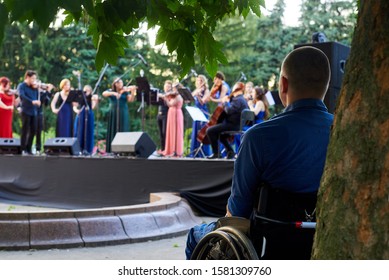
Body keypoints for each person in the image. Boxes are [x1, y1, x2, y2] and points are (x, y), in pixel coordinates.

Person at [185, 46, 334, 259]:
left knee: (195, 235)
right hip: (323, 241)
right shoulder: (341, 133)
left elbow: (237, 213)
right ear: (326, 86)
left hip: (268, 248)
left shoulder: (258, 137)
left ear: (283, 84)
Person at [206, 81, 248, 159]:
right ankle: (230, 152)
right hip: (236, 125)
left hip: (232, 125)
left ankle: (216, 153)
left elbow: (229, 110)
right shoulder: (242, 99)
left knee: (209, 131)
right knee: (221, 135)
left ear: (236, 89)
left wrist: (225, 102)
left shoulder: (238, 100)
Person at [102, 77, 137, 153]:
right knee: (113, 128)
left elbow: (131, 100)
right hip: (113, 112)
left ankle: (122, 149)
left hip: (123, 112)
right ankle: (112, 149)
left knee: (123, 128)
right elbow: (104, 93)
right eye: (118, 82)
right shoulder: (111, 91)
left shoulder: (125, 92)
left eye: (121, 82)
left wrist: (133, 91)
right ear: (115, 84)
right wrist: (114, 93)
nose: (120, 84)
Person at [17, 70, 41, 155]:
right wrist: (32, 101)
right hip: (25, 110)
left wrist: (38, 89)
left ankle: (28, 148)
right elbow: (22, 96)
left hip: (34, 111)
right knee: (25, 130)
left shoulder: (34, 87)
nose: (34, 80)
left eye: (35, 78)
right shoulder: (21, 86)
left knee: (33, 130)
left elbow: (38, 97)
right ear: (27, 77)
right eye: (33, 78)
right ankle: (22, 149)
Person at [189, 74, 211, 157]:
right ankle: (195, 152)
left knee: (202, 133)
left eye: (201, 80)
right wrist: (196, 92)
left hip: (203, 113)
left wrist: (198, 95)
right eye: (198, 80)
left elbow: (202, 102)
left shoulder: (206, 90)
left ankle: (203, 153)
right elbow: (190, 97)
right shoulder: (197, 89)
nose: (199, 82)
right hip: (196, 113)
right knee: (195, 132)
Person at [73, 85, 98, 154]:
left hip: (88, 115)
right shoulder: (80, 97)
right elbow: (74, 106)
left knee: (88, 131)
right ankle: (78, 149)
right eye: (85, 90)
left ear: (90, 91)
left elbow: (92, 107)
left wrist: (95, 101)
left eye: (88, 90)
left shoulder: (92, 97)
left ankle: (88, 149)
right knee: (79, 131)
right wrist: (77, 111)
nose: (86, 91)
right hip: (81, 115)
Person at [162, 82, 184, 157]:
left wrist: (165, 99)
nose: (173, 90)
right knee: (171, 131)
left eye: (174, 88)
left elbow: (170, 104)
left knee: (176, 131)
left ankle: (176, 150)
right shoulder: (174, 95)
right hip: (171, 113)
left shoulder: (178, 96)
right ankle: (170, 149)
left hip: (176, 114)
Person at [156, 80, 172, 154]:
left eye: (169, 87)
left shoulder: (171, 95)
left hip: (166, 114)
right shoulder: (162, 93)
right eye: (166, 86)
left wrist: (165, 97)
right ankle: (162, 149)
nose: (167, 88)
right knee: (160, 133)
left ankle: (166, 149)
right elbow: (157, 95)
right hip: (159, 114)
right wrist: (162, 95)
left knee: (164, 132)